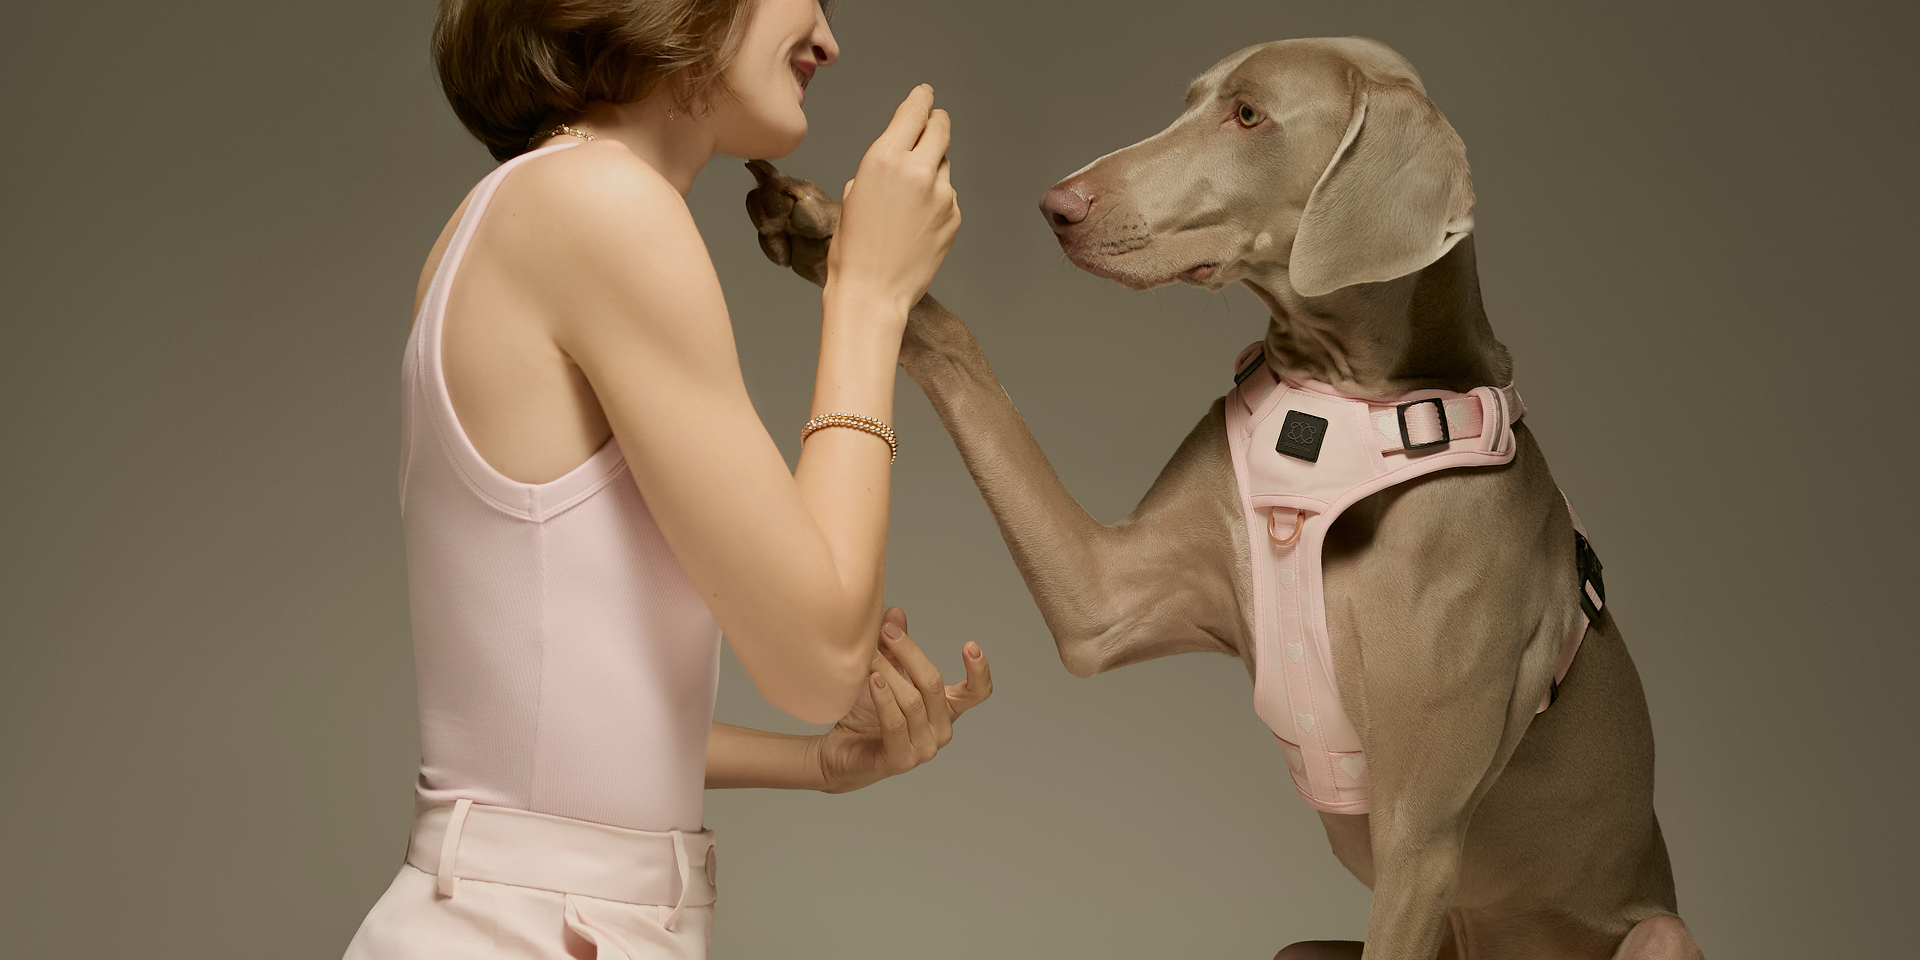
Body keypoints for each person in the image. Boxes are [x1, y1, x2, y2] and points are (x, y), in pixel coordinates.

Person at [342, 0, 983, 956]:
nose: (827, 38)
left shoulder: (521, 206)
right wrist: (868, 296)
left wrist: (818, 764)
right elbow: (819, 661)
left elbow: (537, 728)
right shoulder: (599, 201)